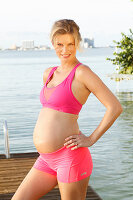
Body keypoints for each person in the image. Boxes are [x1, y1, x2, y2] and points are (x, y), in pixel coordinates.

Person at [11, 19, 123, 200]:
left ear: (77, 42)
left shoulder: (82, 73)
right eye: (60, 44)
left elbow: (115, 107)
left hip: (69, 157)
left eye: (70, 44)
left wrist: (91, 139)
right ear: (52, 44)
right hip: (46, 159)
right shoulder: (49, 73)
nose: (65, 50)